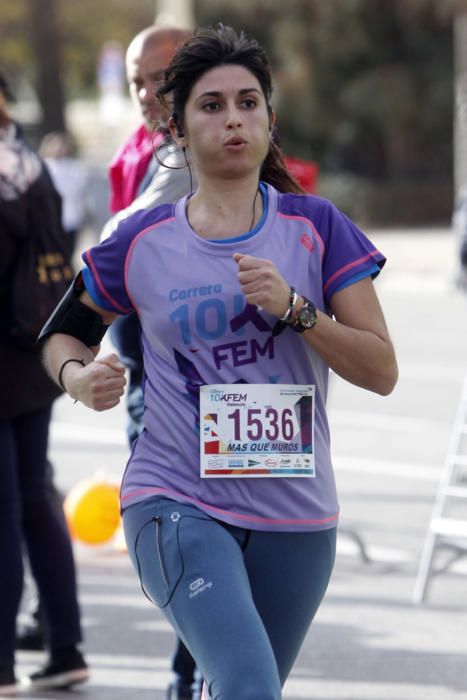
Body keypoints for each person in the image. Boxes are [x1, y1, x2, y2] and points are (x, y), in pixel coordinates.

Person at [40, 25, 398, 700]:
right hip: (174, 497)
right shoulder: (139, 240)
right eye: (211, 105)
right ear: (176, 127)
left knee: (241, 689)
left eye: (247, 102)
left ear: (268, 118)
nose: (232, 118)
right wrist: (79, 378)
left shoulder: (317, 228)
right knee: (245, 684)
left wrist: (296, 308)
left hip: (295, 511)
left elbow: (381, 370)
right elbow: (61, 337)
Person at [104, 25, 200, 700]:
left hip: (192, 387)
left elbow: (117, 241)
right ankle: (193, 675)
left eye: (157, 79)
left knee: (182, 534)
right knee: (174, 538)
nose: (145, 94)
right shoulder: (150, 153)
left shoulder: (203, 154)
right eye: (136, 81)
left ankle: (190, 678)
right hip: (147, 378)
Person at [0, 70, 88, 696]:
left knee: (6, 506)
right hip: (34, 351)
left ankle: (0, 662)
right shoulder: (30, 164)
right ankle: (66, 646)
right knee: (34, 493)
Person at [39, 131, 91, 259]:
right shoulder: (44, 167)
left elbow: (79, 190)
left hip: (71, 218)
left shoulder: (74, 167)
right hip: (51, 220)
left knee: (69, 251)